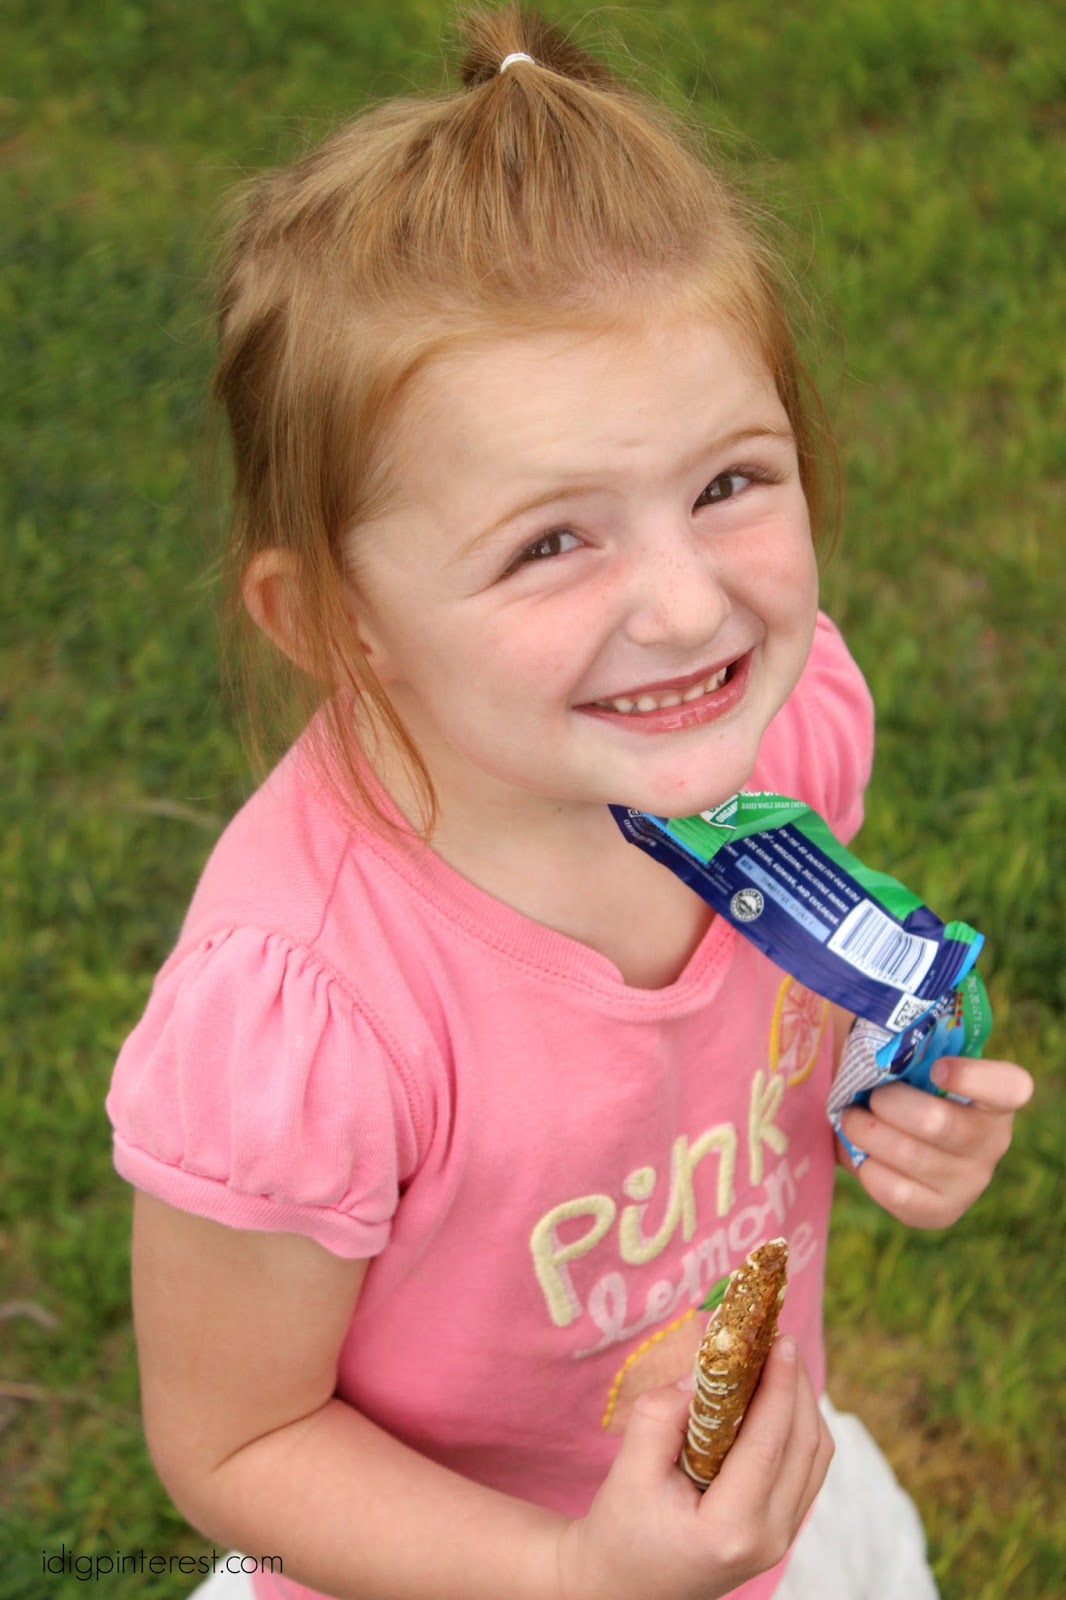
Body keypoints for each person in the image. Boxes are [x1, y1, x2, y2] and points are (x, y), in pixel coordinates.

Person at [105, 6, 1034, 1599]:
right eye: (550, 542)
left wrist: (894, 1113)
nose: (686, 607)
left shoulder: (777, 737)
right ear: (335, 620)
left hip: (747, 1521)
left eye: (727, 484)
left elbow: (752, 1052)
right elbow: (235, 1446)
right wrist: (571, 1576)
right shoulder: (308, 1013)